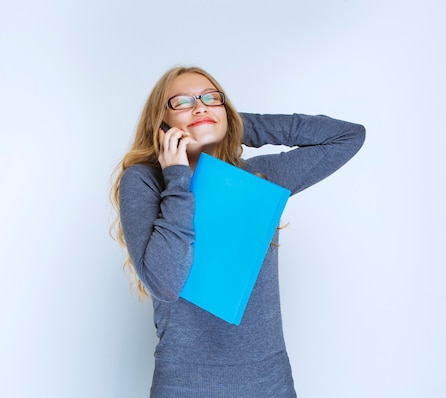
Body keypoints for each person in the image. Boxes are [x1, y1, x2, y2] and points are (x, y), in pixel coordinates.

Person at [110, 66, 365, 397]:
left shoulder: (258, 177)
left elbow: (347, 136)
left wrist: (231, 123)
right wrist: (176, 178)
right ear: (160, 123)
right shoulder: (145, 181)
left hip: (269, 384)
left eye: (211, 98)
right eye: (183, 102)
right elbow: (165, 282)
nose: (200, 106)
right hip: (186, 385)